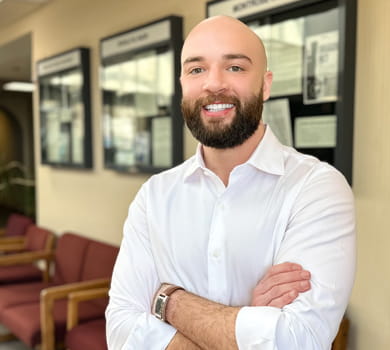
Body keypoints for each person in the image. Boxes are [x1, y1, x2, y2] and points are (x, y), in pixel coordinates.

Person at [106, 15, 356, 350]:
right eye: (197, 69)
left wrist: (169, 300)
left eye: (235, 67)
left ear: (265, 85)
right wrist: (249, 323)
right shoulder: (155, 195)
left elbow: (298, 341)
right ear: (183, 83)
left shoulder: (315, 188)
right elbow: (121, 330)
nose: (213, 83)